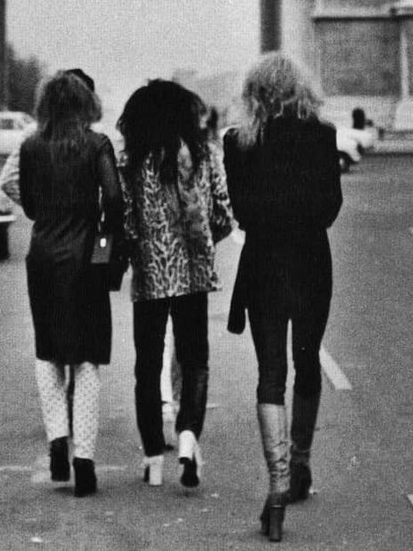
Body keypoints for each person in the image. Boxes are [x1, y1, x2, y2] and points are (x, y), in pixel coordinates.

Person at [223, 52, 343, 543]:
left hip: (264, 265)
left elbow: (243, 212)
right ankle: (301, 466)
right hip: (311, 261)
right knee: (307, 360)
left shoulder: (237, 142)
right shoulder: (322, 135)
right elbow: (330, 207)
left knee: (271, 371)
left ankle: (275, 493)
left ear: (254, 94)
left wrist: (272, 215)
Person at [1, 69, 123, 497]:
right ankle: (84, 460)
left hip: (44, 259)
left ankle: (57, 438)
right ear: (84, 105)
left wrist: (48, 214)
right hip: (87, 259)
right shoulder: (97, 145)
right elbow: (114, 200)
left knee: (48, 350)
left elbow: (29, 203)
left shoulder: (30, 146)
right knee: (87, 359)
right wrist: (104, 251)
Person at [117, 80, 233, 490]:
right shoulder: (205, 156)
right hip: (193, 273)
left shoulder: (131, 160)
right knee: (194, 358)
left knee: (146, 367)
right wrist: (200, 248)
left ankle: (152, 457)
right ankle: (187, 436)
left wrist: (143, 249)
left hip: (150, 274)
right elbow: (223, 215)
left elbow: (126, 222)